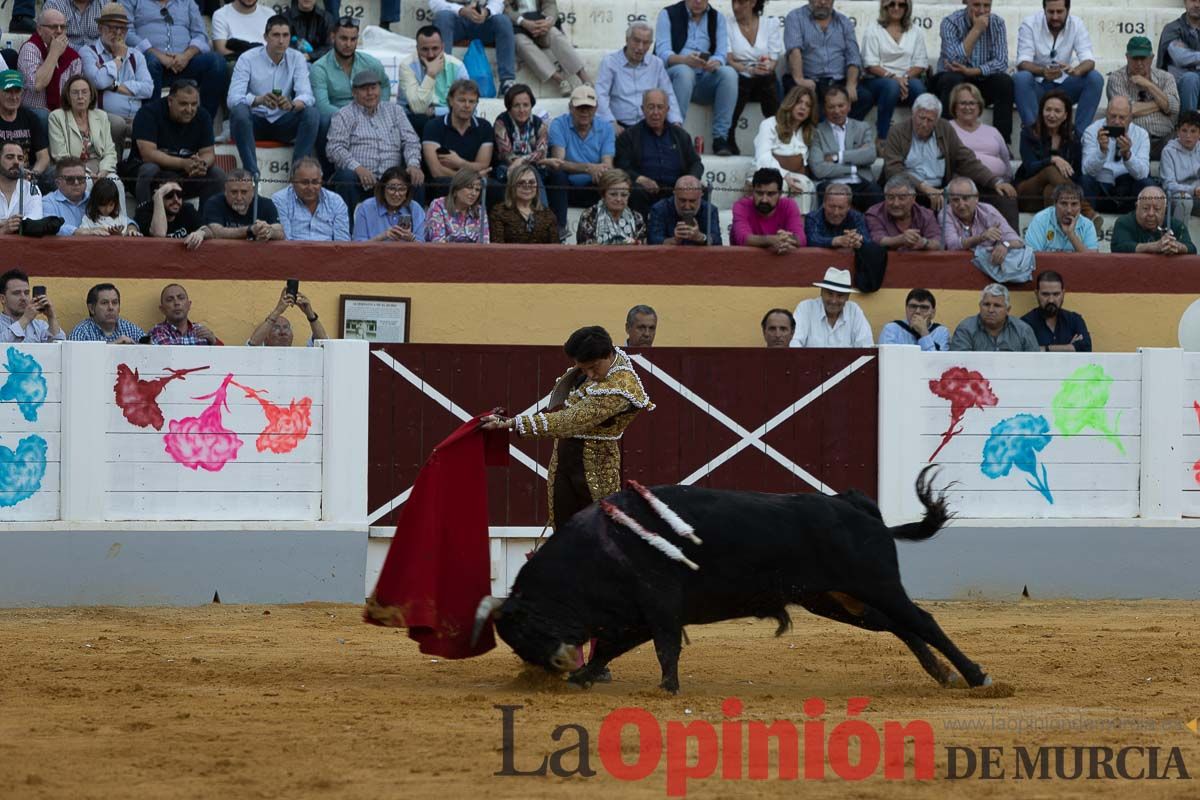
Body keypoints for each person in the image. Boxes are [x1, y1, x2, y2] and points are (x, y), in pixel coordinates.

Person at [480, 324, 654, 534]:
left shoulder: (621, 386)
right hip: (565, 458)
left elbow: (569, 421)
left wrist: (513, 423)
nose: (589, 374)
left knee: (599, 529)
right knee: (563, 528)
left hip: (596, 465)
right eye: (583, 368)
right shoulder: (598, 366)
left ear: (608, 355)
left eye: (593, 367)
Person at [881, 93, 1018, 227]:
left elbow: (966, 159)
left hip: (941, 190)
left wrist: (994, 181)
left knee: (1003, 196)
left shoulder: (945, 128)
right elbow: (894, 171)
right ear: (913, 114)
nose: (924, 124)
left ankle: (1013, 243)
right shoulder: (897, 131)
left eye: (930, 120)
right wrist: (925, 188)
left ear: (937, 120)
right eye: (921, 118)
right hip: (909, 190)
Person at [227, 15, 319, 177]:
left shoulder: (296, 57)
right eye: (276, 35)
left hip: (283, 121)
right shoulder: (247, 58)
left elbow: (307, 95)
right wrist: (258, 100)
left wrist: (291, 105)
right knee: (240, 112)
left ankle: (298, 174)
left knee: (311, 113)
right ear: (265, 37)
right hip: (253, 123)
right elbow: (233, 98)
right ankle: (252, 173)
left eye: (286, 35)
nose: (281, 41)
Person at [326, 69, 422, 215]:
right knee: (345, 177)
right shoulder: (344, 114)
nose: (370, 93)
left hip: (392, 179)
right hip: (359, 179)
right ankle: (347, 233)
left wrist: (413, 164)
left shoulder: (395, 111)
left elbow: (411, 141)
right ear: (354, 92)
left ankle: (416, 232)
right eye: (364, 89)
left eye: (373, 88)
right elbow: (334, 148)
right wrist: (357, 168)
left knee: (416, 177)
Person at [654, 0, 739, 156]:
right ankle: (675, 133)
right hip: (675, 75)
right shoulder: (668, 14)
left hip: (704, 76)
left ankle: (720, 138)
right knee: (685, 72)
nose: (698, 1)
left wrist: (716, 62)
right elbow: (662, 53)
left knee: (729, 74)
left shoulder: (717, 17)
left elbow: (721, 53)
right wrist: (685, 60)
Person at [1014, 0, 1101, 141]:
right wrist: (1043, 71)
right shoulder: (1029, 23)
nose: (1055, 17)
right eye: (1050, 12)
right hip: (1038, 88)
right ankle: (1035, 136)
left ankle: (1079, 138)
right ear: (1044, 9)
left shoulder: (1077, 24)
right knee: (1021, 78)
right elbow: (1023, 62)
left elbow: (1089, 60)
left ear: (1068, 9)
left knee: (1094, 78)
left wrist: (1076, 71)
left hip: (1064, 88)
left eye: (1059, 12)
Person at [930, 0, 1014, 145]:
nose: (982, 11)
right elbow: (954, 60)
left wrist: (973, 71)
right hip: (952, 80)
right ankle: (945, 142)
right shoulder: (950, 23)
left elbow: (1001, 62)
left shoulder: (997, 23)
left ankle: (1002, 143)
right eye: (976, 5)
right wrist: (976, 30)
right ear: (966, 2)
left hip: (980, 79)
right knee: (952, 79)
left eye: (987, 6)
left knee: (1004, 82)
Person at [125, 0, 227, 118]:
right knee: (151, 60)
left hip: (184, 64)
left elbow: (200, 35)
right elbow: (127, 33)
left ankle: (203, 122)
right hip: (149, 64)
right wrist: (159, 55)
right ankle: (151, 123)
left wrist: (186, 56)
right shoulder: (131, 1)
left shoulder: (187, 2)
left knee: (216, 62)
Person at [131, 79, 224, 205]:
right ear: (170, 101)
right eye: (183, 104)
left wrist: (201, 164)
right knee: (149, 169)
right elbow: (148, 154)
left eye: (194, 104)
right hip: (154, 175)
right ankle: (145, 217)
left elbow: (208, 153)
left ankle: (206, 222)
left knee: (216, 174)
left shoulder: (203, 116)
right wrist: (183, 163)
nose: (189, 109)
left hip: (185, 175)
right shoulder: (149, 113)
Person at [311, 16, 392, 162]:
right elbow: (322, 106)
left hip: (369, 112)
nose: (348, 44)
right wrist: (352, 117)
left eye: (353, 39)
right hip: (337, 116)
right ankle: (328, 173)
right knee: (323, 121)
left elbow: (385, 85)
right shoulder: (319, 67)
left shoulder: (370, 63)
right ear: (332, 37)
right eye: (343, 38)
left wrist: (381, 107)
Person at [1014, 88, 1098, 226]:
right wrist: (1053, 159)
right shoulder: (1029, 133)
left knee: (1052, 191)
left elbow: (1075, 173)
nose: (1051, 115)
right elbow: (1029, 168)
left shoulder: (1073, 137)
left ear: (1065, 115)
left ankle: (1056, 240)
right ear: (1041, 111)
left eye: (1057, 111)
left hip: (1056, 197)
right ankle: (1086, 211)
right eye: (1048, 110)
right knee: (1051, 169)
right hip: (1028, 192)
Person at [614, 88, 703, 217]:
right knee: (635, 191)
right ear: (642, 109)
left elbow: (696, 163)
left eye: (660, 107)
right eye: (650, 107)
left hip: (677, 191)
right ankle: (642, 234)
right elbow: (621, 166)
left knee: (700, 190)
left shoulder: (680, 135)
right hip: (645, 191)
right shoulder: (629, 136)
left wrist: (689, 180)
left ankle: (697, 235)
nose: (655, 112)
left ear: (667, 110)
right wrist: (640, 178)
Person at [79, 3, 152, 154]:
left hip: (134, 117)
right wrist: (118, 58)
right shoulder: (88, 52)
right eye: (112, 28)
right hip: (102, 116)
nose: (118, 33)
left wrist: (114, 86)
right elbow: (98, 82)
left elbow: (148, 89)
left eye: (123, 29)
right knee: (118, 124)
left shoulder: (136, 55)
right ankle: (114, 167)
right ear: (100, 28)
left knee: (148, 123)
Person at [781, 0, 872, 119]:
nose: (823, 2)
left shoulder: (844, 22)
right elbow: (794, 50)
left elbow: (853, 56)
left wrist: (850, 84)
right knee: (808, 103)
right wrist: (800, 79)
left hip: (838, 81)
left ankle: (842, 132)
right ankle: (826, 132)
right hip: (810, 80)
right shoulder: (795, 17)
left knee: (865, 97)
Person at [595, 22, 682, 134]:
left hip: (648, 127)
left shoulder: (656, 63)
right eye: (636, 41)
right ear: (627, 39)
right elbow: (601, 95)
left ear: (650, 44)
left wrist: (675, 122)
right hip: (619, 126)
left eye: (645, 43)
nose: (640, 47)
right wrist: (610, 122)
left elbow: (668, 94)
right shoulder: (610, 63)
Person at [859, 0, 928, 143]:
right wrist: (894, 78)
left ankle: (921, 137)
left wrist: (904, 78)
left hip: (906, 79)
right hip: (877, 80)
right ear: (885, 6)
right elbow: (870, 64)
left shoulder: (915, 31)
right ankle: (882, 138)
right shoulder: (873, 29)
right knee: (891, 86)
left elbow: (920, 63)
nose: (896, 8)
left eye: (901, 4)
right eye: (892, 4)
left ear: (907, 7)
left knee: (919, 88)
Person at [545, 85, 614, 217]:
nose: (584, 112)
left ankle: (606, 227)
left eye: (588, 107)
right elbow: (557, 162)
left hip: (593, 185)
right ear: (571, 107)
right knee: (557, 174)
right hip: (566, 186)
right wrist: (588, 168)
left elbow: (608, 164)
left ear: (596, 108)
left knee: (610, 177)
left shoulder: (606, 128)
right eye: (579, 107)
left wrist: (599, 170)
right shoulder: (559, 124)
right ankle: (560, 226)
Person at [809, 86, 881, 212]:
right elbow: (819, 169)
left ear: (849, 106)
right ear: (824, 109)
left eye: (841, 105)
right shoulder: (817, 132)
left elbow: (870, 155)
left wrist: (837, 157)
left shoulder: (862, 127)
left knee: (875, 191)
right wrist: (854, 166)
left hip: (860, 182)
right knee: (824, 191)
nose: (836, 111)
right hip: (832, 183)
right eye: (831, 107)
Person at [1080, 95, 1154, 215]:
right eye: (1113, 116)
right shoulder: (1092, 131)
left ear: (1130, 117)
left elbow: (1143, 174)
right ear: (1106, 113)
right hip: (1100, 188)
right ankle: (1090, 220)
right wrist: (1101, 152)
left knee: (1147, 185)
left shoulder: (1141, 134)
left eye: (1122, 117)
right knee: (1085, 180)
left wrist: (1128, 155)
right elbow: (1086, 171)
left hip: (1127, 190)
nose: (1116, 121)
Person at [1106, 36, 1179, 160]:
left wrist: (1149, 85)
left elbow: (1174, 107)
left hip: (1164, 139)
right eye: (1135, 58)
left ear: (1151, 58)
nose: (1139, 63)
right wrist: (1160, 104)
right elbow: (1128, 110)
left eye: (1143, 58)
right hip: (1131, 140)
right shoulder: (1117, 78)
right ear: (1127, 57)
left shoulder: (1166, 78)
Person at [421, 79, 494, 197]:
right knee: (444, 183)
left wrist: (459, 162)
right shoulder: (433, 126)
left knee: (494, 187)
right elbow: (436, 171)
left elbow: (483, 165)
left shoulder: (484, 127)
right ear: (450, 101)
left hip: (472, 182)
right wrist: (471, 179)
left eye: (472, 101)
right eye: (461, 100)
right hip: (444, 183)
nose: (467, 105)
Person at [492, 83, 553, 222]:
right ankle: (543, 219)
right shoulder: (501, 123)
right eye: (516, 105)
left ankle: (559, 224)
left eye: (526, 105)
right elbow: (507, 156)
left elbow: (542, 152)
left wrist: (522, 160)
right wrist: (523, 161)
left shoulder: (539, 123)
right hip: (505, 170)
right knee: (529, 170)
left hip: (535, 169)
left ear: (531, 106)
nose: (522, 110)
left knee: (556, 176)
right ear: (509, 107)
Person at [726, 0, 781, 155]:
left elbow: (774, 58)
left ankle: (777, 133)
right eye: (733, 2)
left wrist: (767, 67)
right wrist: (749, 70)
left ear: (753, 3)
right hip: (740, 73)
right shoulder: (727, 24)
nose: (736, 7)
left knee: (768, 79)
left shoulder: (770, 24)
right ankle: (729, 135)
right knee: (743, 82)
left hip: (763, 75)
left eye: (741, 2)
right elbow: (729, 59)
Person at [430, 0, 517, 95]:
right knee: (443, 17)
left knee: (503, 21)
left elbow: (498, 3)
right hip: (455, 21)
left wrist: (486, 12)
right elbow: (434, 3)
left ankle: (507, 82)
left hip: (482, 23)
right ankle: (442, 77)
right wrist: (462, 10)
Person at [506, 0, 589, 97]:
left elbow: (550, 3)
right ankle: (560, 80)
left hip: (540, 22)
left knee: (554, 33)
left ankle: (585, 79)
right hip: (517, 25)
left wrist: (548, 21)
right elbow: (504, 8)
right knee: (519, 42)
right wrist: (523, 22)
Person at [753, 84, 816, 210]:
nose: (803, 107)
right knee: (782, 186)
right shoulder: (770, 124)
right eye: (799, 102)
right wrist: (785, 175)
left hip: (796, 175)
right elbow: (763, 157)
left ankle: (799, 226)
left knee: (802, 185)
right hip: (767, 172)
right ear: (790, 103)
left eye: (807, 105)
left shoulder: (808, 132)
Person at [398, 26, 468, 135]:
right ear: (417, 49)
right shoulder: (407, 66)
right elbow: (418, 109)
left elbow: (467, 106)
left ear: (443, 47)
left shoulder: (457, 66)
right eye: (425, 49)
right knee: (422, 121)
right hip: (414, 120)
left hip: (448, 118)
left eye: (435, 48)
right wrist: (431, 74)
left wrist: (436, 112)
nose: (430, 55)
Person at [17, 9, 83, 124]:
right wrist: (54, 54)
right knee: (44, 116)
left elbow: (76, 93)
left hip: (63, 113)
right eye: (53, 27)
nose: (58, 31)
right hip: (33, 113)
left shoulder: (74, 58)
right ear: (39, 29)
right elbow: (36, 85)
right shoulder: (30, 48)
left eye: (62, 27)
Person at [49, 75, 118, 180]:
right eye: (75, 93)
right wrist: (87, 173)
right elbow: (60, 155)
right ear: (68, 96)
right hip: (73, 170)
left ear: (91, 95)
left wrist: (103, 172)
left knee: (115, 183)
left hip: (101, 168)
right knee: (87, 182)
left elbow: (110, 152)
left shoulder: (101, 116)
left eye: (84, 92)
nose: (80, 96)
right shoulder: (57, 117)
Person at [947, 82, 1012, 187]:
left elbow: (1006, 160)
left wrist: (1006, 182)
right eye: (963, 103)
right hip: (962, 189)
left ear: (979, 106)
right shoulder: (947, 128)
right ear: (954, 106)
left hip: (997, 186)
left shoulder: (993, 131)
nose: (968, 107)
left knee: (1010, 200)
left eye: (972, 103)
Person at [789, 266, 873, 348]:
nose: (834, 300)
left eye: (840, 296)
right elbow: (794, 342)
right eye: (830, 294)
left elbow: (866, 346)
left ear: (847, 297)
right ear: (821, 292)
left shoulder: (854, 311)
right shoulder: (806, 308)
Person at [941, 176, 1024, 255]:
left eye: (966, 198)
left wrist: (1005, 245)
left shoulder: (988, 211)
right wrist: (981, 237)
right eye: (955, 200)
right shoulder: (945, 213)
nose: (961, 205)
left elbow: (1017, 241)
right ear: (949, 201)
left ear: (976, 197)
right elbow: (952, 245)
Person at [730, 167, 806, 251]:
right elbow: (742, 239)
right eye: (759, 193)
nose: (764, 199)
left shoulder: (789, 205)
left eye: (770, 194)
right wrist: (771, 240)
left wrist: (786, 240)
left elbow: (801, 239)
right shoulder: (741, 206)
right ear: (753, 192)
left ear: (780, 194)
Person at [274, 155, 350, 240]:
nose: (310, 188)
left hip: (329, 253)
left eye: (315, 182)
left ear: (321, 181)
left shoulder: (336, 201)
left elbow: (342, 243)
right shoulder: (281, 200)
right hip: (294, 252)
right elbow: (285, 241)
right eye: (304, 182)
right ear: (292, 181)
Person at [200, 168, 285, 242]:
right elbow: (216, 232)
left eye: (244, 192)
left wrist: (268, 231)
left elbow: (281, 232)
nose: (239, 197)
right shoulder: (214, 203)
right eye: (234, 192)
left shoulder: (266, 204)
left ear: (252, 192)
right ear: (225, 191)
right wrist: (250, 230)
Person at [949, 283, 1039, 352]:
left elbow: (1035, 364)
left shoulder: (1023, 330)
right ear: (980, 306)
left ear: (1008, 310)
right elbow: (959, 366)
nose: (991, 310)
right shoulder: (965, 329)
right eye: (986, 304)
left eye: (997, 306)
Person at [1111, 185, 1197, 255]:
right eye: (1145, 208)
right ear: (1137, 207)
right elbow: (1119, 247)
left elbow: (1191, 248)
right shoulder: (1123, 222)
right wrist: (1154, 247)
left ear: (1165, 209)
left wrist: (1177, 247)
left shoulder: (1176, 225)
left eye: (1157, 209)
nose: (1151, 213)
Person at [1019, 270, 1091, 352]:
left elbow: (1085, 348)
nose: (1051, 300)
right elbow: (1023, 353)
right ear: (1036, 293)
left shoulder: (1074, 320)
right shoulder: (1025, 324)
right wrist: (1069, 347)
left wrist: (1045, 349)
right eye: (1045, 294)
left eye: (1056, 294)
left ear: (1063, 293)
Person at [866, 174, 941, 251]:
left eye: (902, 198)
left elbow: (939, 243)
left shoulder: (926, 214)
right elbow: (877, 240)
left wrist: (924, 242)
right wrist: (901, 239)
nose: (896, 203)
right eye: (890, 198)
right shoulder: (875, 213)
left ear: (913, 198)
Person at [488, 161, 557, 243]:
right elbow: (496, 248)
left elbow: (556, 248)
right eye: (521, 182)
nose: (527, 186)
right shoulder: (499, 212)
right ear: (512, 186)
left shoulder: (547, 214)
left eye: (531, 182)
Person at [353, 166, 426, 242]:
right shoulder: (366, 208)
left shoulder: (415, 208)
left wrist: (411, 238)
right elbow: (358, 246)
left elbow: (423, 247)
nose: (397, 194)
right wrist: (383, 236)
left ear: (407, 192)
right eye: (392, 189)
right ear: (382, 189)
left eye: (402, 189)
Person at [0, 70, 51, 178]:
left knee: (56, 173)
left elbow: (43, 157)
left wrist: (32, 174)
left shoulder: (30, 118)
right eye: (8, 91)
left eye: (17, 91)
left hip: (26, 174)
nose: (13, 97)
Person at [576, 168, 645, 245]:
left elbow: (642, 249)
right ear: (603, 195)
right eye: (613, 194)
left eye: (624, 195)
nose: (619, 199)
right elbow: (585, 249)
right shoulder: (589, 215)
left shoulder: (637, 217)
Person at [1025, 181, 1098, 252]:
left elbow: (1093, 261)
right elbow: (1031, 257)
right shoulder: (1040, 220)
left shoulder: (1087, 225)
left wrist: (1071, 235)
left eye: (1074, 204)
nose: (1069, 210)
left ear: (1080, 206)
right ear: (1055, 204)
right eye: (1063, 203)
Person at [647, 174, 721, 245]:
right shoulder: (659, 209)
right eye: (682, 200)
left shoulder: (710, 210)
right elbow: (653, 241)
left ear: (701, 195)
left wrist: (700, 237)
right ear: (674, 194)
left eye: (692, 201)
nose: (687, 206)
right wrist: (674, 240)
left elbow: (717, 241)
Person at [424, 166, 489, 243]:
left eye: (477, 189)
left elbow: (484, 244)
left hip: (473, 254)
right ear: (456, 189)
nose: (474, 193)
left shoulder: (480, 211)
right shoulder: (438, 205)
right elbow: (438, 243)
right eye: (469, 187)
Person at [1158, 0, 1200, 116]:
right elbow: (1180, 58)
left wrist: (1190, 56)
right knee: (1190, 78)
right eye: (1193, 0)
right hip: (1178, 86)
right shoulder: (1172, 28)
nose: (1197, 5)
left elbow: (1186, 58)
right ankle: (1188, 125)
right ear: (1185, 2)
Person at [0, 268, 64, 343]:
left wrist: (51, 318)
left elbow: (60, 349)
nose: (23, 298)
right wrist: (26, 318)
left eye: (26, 293)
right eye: (16, 293)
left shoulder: (40, 325)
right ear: (2, 299)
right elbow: (2, 347)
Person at [68, 282, 146, 343]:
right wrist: (112, 346)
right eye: (104, 303)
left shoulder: (129, 328)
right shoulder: (81, 332)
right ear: (91, 308)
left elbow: (152, 351)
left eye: (115, 302)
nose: (111, 307)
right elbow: (76, 359)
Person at [247, 287, 327, 346]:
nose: (282, 332)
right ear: (265, 337)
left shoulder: (301, 355)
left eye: (286, 327)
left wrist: (310, 315)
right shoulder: (259, 354)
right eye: (276, 328)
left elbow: (325, 344)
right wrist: (278, 311)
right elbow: (252, 344)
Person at [149, 283, 222, 346]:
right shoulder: (157, 332)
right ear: (162, 309)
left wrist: (214, 341)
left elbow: (223, 357)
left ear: (189, 305)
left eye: (181, 298)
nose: (176, 303)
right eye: (170, 300)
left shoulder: (201, 331)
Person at [879, 288, 949, 351]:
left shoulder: (941, 332)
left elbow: (936, 362)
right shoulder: (892, 329)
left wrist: (924, 333)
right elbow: (889, 360)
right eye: (913, 306)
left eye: (924, 307)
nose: (917, 311)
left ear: (933, 312)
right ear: (906, 309)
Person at [133, 178, 203, 240]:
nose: (176, 199)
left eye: (179, 194)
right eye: (169, 195)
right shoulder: (144, 211)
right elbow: (159, 234)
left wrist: (201, 233)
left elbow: (209, 230)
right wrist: (159, 194)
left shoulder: (187, 209)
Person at [1162, 111, 1200, 220]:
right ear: (1178, 132)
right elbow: (1168, 185)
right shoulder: (1168, 151)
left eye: (1193, 131)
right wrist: (1193, 190)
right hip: (1177, 195)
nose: (1188, 136)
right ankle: (1180, 236)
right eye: (1184, 131)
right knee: (1185, 201)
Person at [41, 156, 90, 234]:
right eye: (70, 179)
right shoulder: (48, 202)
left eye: (80, 178)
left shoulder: (94, 199)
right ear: (58, 183)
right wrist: (75, 232)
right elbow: (49, 225)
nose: (76, 182)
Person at [0, 141, 43, 232]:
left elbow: (33, 222)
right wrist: (3, 230)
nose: (16, 162)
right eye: (9, 157)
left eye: (20, 158)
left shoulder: (31, 188)